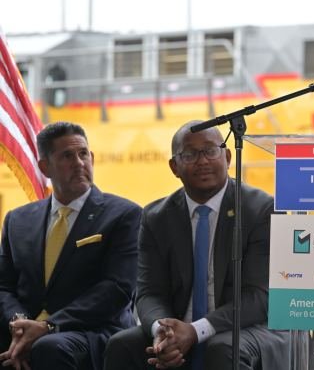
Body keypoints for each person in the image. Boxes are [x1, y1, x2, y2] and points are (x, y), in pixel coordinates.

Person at [104, 122, 289, 370]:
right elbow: (149, 292)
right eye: (190, 155)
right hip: (180, 326)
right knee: (121, 344)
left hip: (252, 326)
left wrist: (196, 330)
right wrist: (163, 330)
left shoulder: (261, 209)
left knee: (223, 348)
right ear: (174, 167)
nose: (202, 161)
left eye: (211, 151)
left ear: (228, 156)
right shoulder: (156, 217)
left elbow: (259, 297)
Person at [0, 121, 141, 370]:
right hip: (27, 324)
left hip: (92, 331)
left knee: (49, 347)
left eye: (83, 154)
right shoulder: (17, 220)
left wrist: (48, 326)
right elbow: (4, 286)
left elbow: (118, 289)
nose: (79, 163)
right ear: (45, 167)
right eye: (67, 156)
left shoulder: (125, 215)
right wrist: (20, 323)